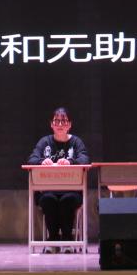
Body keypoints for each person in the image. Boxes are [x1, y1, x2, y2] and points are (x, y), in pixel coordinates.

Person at [26, 107, 90, 252]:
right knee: (48, 199)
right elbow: (32, 159)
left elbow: (85, 158)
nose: (60, 124)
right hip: (49, 190)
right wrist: (41, 161)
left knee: (68, 200)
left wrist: (70, 162)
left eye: (64, 121)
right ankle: (53, 239)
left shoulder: (76, 142)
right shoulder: (44, 142)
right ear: (51, 124)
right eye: (56, 121)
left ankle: (67, 240)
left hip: (71, 191)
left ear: (70, 124)